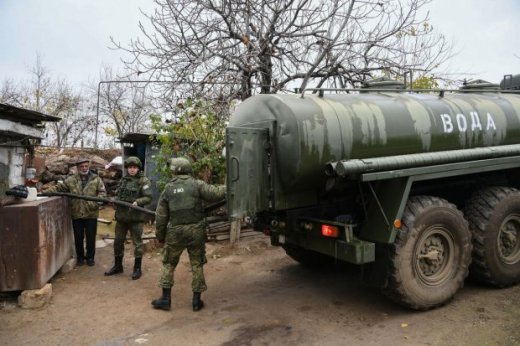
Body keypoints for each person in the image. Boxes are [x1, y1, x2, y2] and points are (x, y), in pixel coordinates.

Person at [152, 157, 225, 311]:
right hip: (196, 232)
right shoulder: (197, 184)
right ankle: (196, 302)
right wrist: (230, 187)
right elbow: (216, 194)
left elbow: (161, 217)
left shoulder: (168, 189)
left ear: (174, 170)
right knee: (197, 265)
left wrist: (160, 236)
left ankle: (165, 299)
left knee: (169, 264)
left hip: (175, 233)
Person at [45, 157, 106, 266]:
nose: (84, 168)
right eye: (81, 166)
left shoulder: (96, 179)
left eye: (86, 166)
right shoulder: (71, 180)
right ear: (77, 168)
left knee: (91, 237)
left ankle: (90, 258)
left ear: (89, 166)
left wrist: (94, 204)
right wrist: (44, 193)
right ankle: (80, 258)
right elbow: (59, 188)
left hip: (91, 213)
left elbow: (102, 194)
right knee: (78, 237)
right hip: (76, 213)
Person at [105, 156, 152, 280]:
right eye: (130, 167)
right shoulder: (123, 180)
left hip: (136, 219)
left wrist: (138, 201)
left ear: (138, 168)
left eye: (134, 168)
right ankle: (118, 266)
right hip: (121, 218)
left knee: (137, 243)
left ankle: (137, 269)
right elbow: (118, 194)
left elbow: (148, 197)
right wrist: (115, 200)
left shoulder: (143, 181)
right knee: (118, 241)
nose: (132, 170)